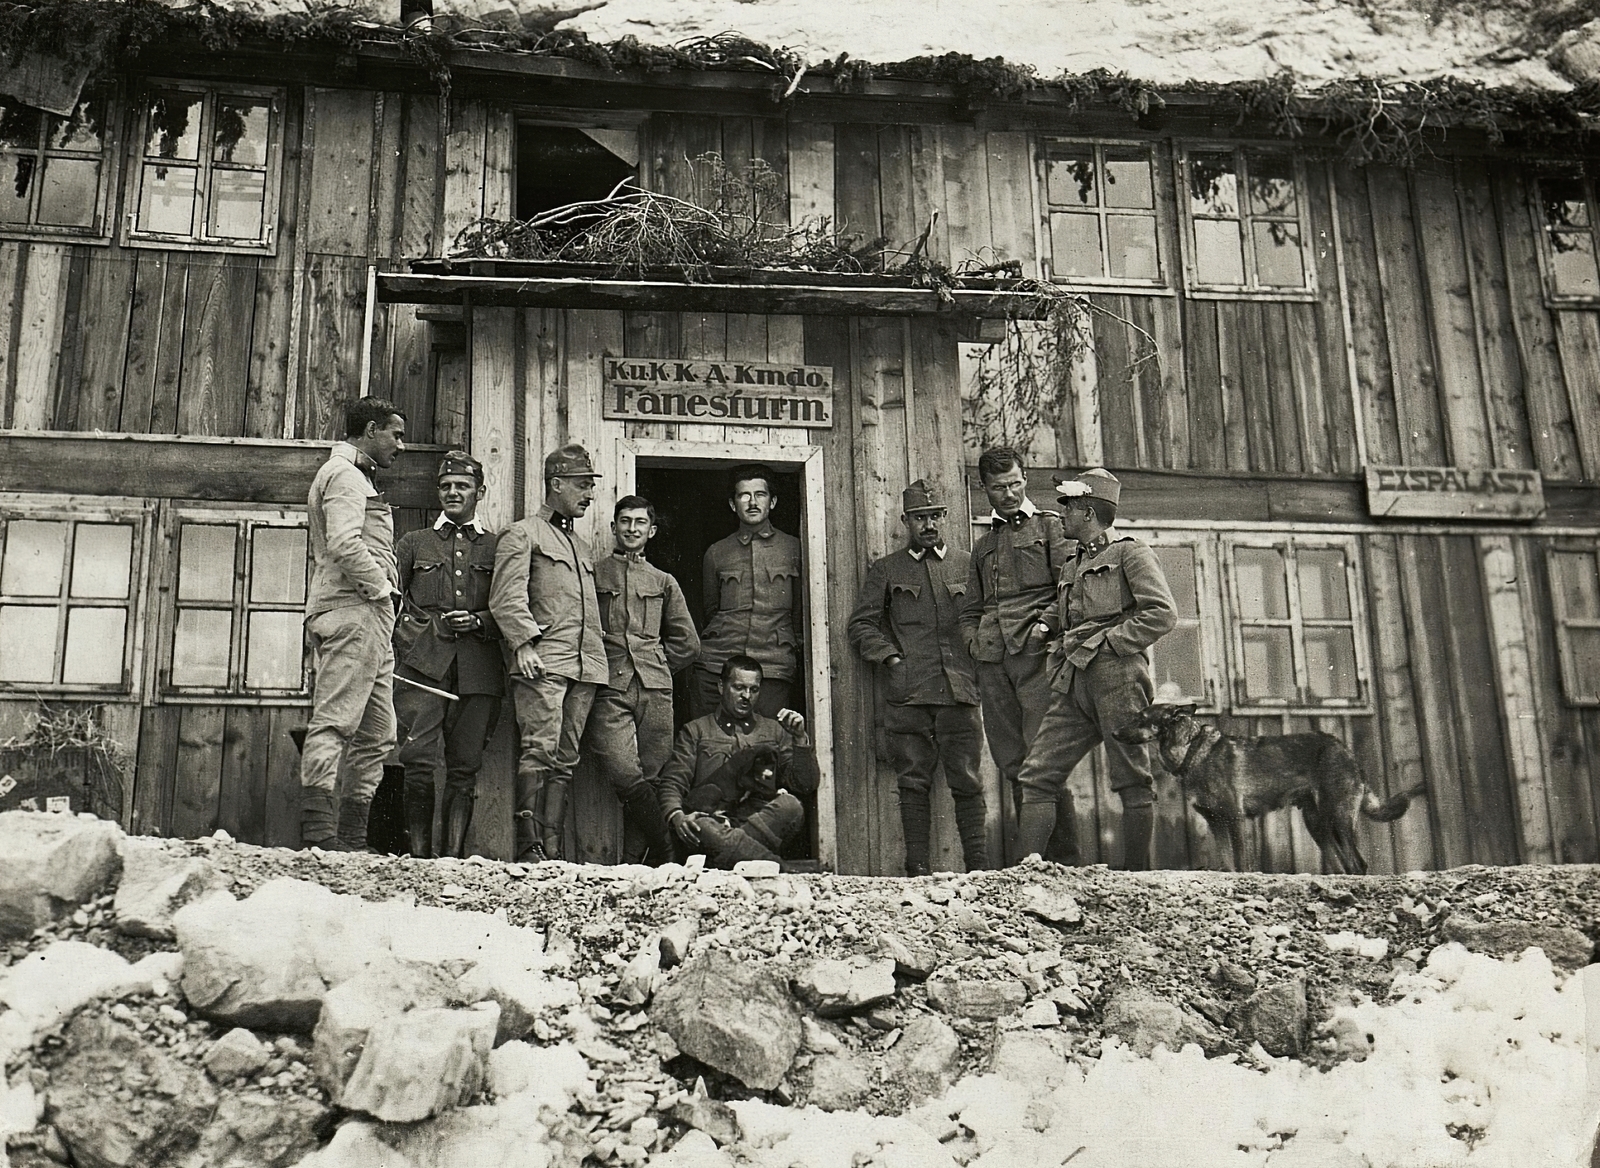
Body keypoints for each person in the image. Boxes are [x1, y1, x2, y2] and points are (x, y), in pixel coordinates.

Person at [1016, 469, 1177, 870]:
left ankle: (1136, 878)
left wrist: (1111, 643)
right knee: (1038, 774)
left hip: (1117, 677)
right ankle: (1024, 873)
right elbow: (1073, 608)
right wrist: (1046, 623)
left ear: (1087, 513)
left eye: (1068, 506)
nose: (1062, 513)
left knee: (1131, 775)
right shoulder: (1075, 560)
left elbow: (1162, 613)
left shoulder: (1130, 553)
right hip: (1073, 677)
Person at [847, 479, 988, 875]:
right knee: (912, 783)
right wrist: (892, 659)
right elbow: (862, 626)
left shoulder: (967, 564)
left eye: (934, 516)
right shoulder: (887, 569)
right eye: (919, 518)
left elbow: (984, 618)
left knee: (967, 781)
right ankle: (918, 871)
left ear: (945, 517)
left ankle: (979, 869)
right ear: (906, 521)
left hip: (960, 691)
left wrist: (977, 655)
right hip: (909, 695)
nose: (928, 525)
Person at [958, 446, 1078, 863]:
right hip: (993, 662)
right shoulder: (983, 544)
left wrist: (1046, 625)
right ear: (984, 490)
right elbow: (971, 607)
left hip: (1038, 658)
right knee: (1011, 759)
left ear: (1025, 479)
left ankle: (1066, 860)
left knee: (1043, 758)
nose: (1008, 494)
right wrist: (973, 640)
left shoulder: (1051, 528)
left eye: (1014, 484)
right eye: (998, 488)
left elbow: (1068, 587)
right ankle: (1031, 864)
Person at [489, 444, 607, 862]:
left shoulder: (583, 547)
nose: (589, 495)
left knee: (566, 758)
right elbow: (506, 598)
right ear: (555, 485)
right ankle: (529, 845)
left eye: (590, 486)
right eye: (581, 485)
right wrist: (522, 644)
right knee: (539, 748)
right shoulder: (523, 534)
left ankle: (553, 848)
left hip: (585, 666)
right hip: (544, 663)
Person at [301, 398, 406, 851]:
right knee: (335, 720)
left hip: (372, 618)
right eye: (395, 434)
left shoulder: (357, 475)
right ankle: (320, 836)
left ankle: (351, 837)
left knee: (378, 732)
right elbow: (344, 543)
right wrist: (381, 590)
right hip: (356, 609)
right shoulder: (344, 475)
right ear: (369, 430)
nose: (401, 444)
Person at [392, 451, 502, 859]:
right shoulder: (414, 544)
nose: (453, 493)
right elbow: (390, 603)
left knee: (465, 767)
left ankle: (453, 862)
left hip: (480, 668)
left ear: (480, 492)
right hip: (422, 667)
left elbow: (513, 605)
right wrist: (409, 643)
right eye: (446, 487)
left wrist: (479, 622)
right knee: (417, 760)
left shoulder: (497, 547)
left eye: (463, 486)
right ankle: (420, 858)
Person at [582, 494, 701, 865]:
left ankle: (636, 861)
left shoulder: (663, 581)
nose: (632, 529)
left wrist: (660, 665)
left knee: (652, 775)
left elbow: (689, 643)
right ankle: (667, 848)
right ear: (614, 527)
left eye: (640, 523)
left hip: (654, 689)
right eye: (625, 522)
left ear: (652, 530)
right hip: (610, 684)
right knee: (623, 771)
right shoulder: (593, 573)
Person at [659, 655, 819, 868]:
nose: (746, 696)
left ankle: (722, 862)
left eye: (754, 690)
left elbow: (804, 784)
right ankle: (780, 869)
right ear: (720, 687)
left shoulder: (774, 730)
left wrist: (799, 738)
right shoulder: (696, 730)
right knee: (701, 825)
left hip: (757, 821)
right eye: (738, 688)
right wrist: (676, 816)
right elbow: (672, 782)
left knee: (791, 806)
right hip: (711, 821)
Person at [692, 464, 803, 719]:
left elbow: (800, 610)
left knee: (766, 746)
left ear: (772, 501)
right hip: (719, 661)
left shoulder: (794, 548)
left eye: (760, 494)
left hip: (773, 663)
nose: (752, 502)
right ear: (733, 504)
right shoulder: (717, 552)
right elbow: (709, 609)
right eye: (744, 495)